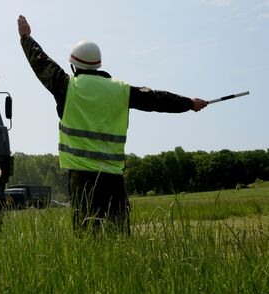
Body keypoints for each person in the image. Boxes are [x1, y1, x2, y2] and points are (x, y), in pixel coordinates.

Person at [17, 15, 208, 235]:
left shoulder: (67, 87)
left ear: (73, 65)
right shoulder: (121, 90)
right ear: (98, 64)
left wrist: (26, 38)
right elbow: (157, 99)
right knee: (118, 237)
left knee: (87, 237)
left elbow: (41, 63)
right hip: (113, 179)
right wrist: (189, 103)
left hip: (82, 178)